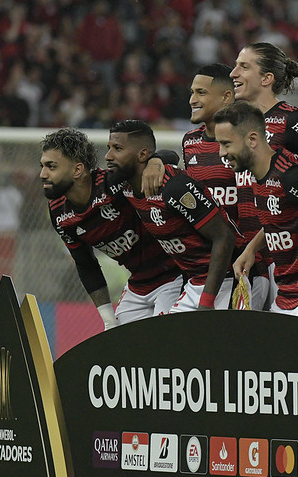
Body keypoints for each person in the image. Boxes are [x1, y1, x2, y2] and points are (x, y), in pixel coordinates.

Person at [143, 63, 268, 309]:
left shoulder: (247, 142)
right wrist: (157, 159)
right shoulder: (190, 142)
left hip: (248, 266)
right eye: (192, 92)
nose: (192, 99)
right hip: (207, 269)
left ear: (226, 97)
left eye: (201, 93)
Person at [214, 101, 298, 322]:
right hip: (285, 295)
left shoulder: (291, 175)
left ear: (252, 140)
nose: (221, 153)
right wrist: (251, 250)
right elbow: (280, 218)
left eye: (226, 144)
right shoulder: (260, 175)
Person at [40, 127, 183, 329]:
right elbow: (85, 264)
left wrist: (155, 162)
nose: (42, 174)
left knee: (160, 343)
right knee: (119, 351)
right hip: (138, 285)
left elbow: (171, 155)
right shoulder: (59, 212)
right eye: (42, 166)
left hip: (175, 274)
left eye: (51, 166)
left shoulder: (113, 183)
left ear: (77, 170)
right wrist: (108, 319)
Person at [230, 42, 298, 309]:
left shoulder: (291, 120)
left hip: (288, 261)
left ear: (266, 78)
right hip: (252, 255)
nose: (233, 73)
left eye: (244, 66)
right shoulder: (238, 125)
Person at [105, 119, 237, 312]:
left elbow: (224, 236)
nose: (108, 156)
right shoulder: (122, 184)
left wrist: (208, 300)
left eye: (117, 148)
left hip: (224, 280)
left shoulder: (173, 187)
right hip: (193, 281)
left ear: (142, 154)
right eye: (109, 147)